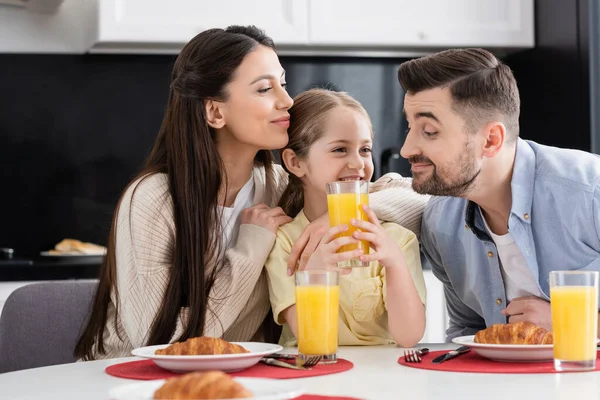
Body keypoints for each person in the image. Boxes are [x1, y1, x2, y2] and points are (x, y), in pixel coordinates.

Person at [75, 26, 428, 360]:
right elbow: (159, 341)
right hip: (130, 378)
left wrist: (339, 216)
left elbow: (417, 198)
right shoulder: (153, 199)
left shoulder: (276, 184)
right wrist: (249, 249)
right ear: (215, 111)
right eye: (264, 89)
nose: (287, 101)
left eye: (284, 84)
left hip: (249, 377)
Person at [397, 48, 600, 341]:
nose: (406, 149)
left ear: (491, 140)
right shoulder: (440, 222)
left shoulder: (589, 192)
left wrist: (573, 322)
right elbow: (468, 333)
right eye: (410, 126)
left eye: (429, 131)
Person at [265, 89, 427, 348]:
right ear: (295, 162)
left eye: (365, 149)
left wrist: (394, 263)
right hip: (312, 374)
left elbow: (408, 337)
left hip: (382, 378)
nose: (358, 163)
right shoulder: (284, 244)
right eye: (340, 149)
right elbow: (311, 339)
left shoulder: (396, 239)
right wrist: (317, 272)